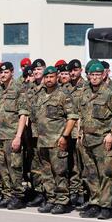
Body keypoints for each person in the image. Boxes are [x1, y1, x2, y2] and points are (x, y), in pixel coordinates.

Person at [75, 62, 112, 220]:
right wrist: (80, 132)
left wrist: (111, 134)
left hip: (103, 140)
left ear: (103, 75)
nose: (95, 77)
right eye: (92, 75)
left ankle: (105, 205)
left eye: (98, 75)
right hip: (87, 140)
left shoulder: (110, 93)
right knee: (91, 174)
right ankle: (94, 203)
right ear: (88, 75)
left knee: (106, 174)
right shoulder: (84, 93)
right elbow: (80, 115)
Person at [29, 66, 78, 214]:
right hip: (42, 141)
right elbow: (34, 118)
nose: (49, 80)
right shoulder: (39, 95)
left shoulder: (63, 95)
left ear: (56, 77)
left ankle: (62, 200)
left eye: (51, 77)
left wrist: (64, 136)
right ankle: (51, 198)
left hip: (57, 141)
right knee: (46, 172)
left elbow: (72, 117)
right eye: (46, 77)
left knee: (60, 172)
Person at [0, 62, 29, 209]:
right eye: (0, 73)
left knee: (15, 167)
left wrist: (18, 136)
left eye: (5, 72)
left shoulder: (19, 89)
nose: (2, 75)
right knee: (3, 169)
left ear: (12, 72)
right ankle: (7, 195)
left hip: (12, 136)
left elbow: (23, 115)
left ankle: (18, 196)